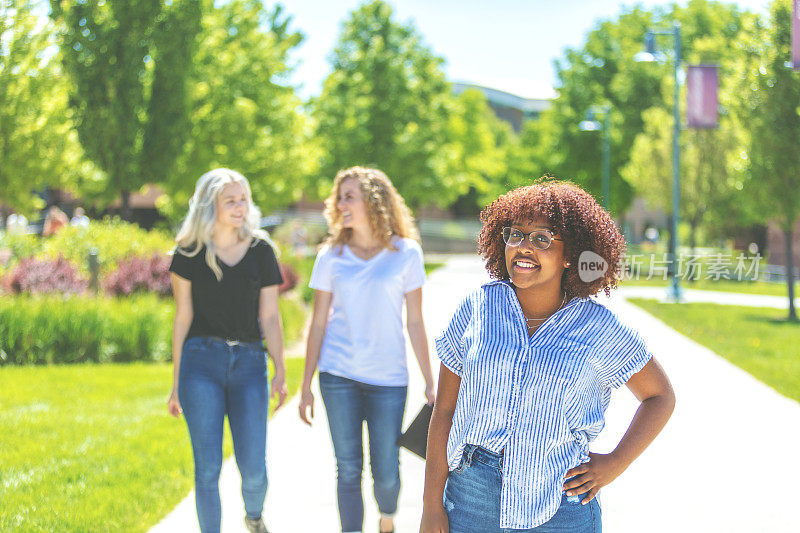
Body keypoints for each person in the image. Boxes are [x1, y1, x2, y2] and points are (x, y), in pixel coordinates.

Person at [421, 180, 675, 533]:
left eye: (542, 239)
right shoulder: (478, 308)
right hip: (470, 501)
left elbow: (660, 395)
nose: (523, 248)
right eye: (515, 235)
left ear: (570, 254)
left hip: (559, 508)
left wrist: (616, 462)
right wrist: (430, 506)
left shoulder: (597, 326)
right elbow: (444, 412)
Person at [299, 166, 436, 533]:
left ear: (374, 201)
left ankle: (387, 519)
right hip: (337, 374)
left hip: (388, 378)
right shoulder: (331, 255)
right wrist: (305, 384)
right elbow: (317, 324)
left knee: (386, 470)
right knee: (347, 466)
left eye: (349, 196)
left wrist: (429, 379)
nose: (340, 203)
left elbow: (416, 322)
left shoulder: (406, 253)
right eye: (339, 196)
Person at [167, 168, 288, 533]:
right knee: (207, 468)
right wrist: (175, 383)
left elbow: (270, 316)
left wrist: (280, 369)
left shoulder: (261, 251)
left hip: (250, 364)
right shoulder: (188, 252)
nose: (240, 207)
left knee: (253, 468)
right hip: (200, 364)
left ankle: (254, 516)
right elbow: (182, 316)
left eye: (243, 199)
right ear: (210, 205)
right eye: (230, 200)